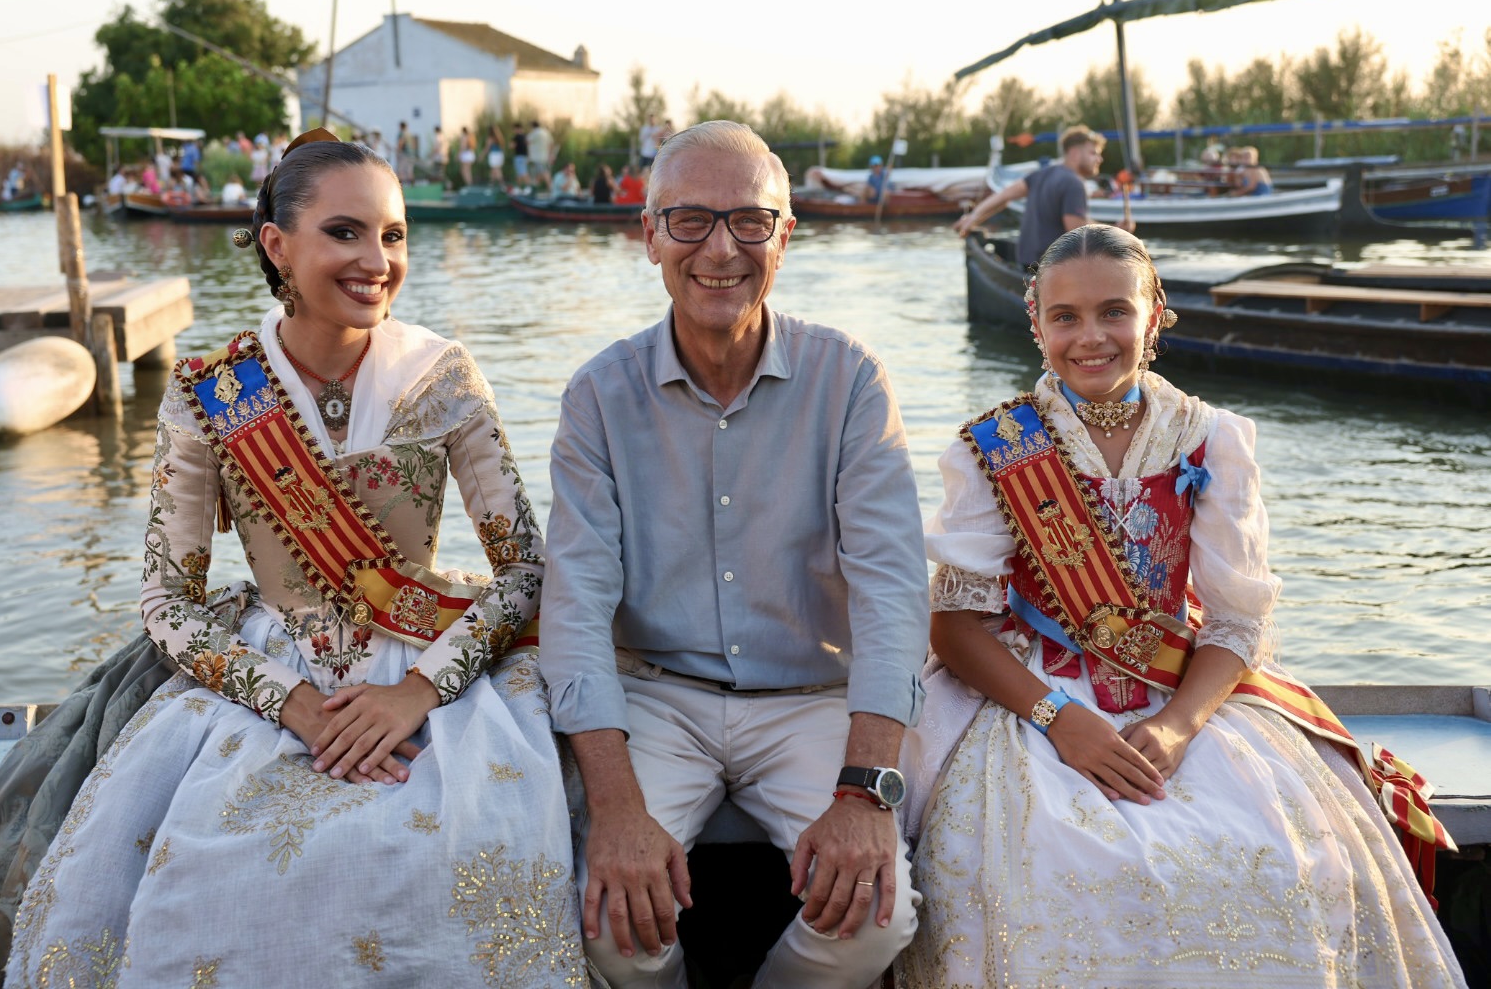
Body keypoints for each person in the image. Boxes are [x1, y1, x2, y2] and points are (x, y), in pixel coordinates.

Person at [2, 130, 585, 988]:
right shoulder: (212, 393)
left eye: (393, 235)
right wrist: (301, 707)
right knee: (223, 868)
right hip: (271, 673)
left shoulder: (445, 378)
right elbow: (169, 604)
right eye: (344, 232)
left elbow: (526, 574)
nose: (376, 260)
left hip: (426, 658)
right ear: (278, 246)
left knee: (459, 849)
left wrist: (419, 690)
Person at [893, 224, 1464, 987]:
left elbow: (1235, 620)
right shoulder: (993, 448)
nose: (1090, 337)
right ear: (1035, 322)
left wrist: (1177, 724)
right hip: (1030, 699)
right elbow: (956, 626)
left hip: (1182, 692)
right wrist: (1061, 722)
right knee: (1055, 862)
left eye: (1113, 312)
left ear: (1155, 313)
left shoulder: (1213, 440)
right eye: (1065, 317)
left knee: (1279, 857)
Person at [540, 120, 928, 987]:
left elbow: (893, 592)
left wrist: (866, 792)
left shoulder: (850, 381)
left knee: (877, 914)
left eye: (750, 221)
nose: (721, 248)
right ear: (650, 237)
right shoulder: (599, 396)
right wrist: (616, 808)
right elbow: (573, 608)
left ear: (785, 237)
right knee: (608, 918)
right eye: (690, 221)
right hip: (658, 700)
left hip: (812, 699)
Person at [954, 124, 1132, 265]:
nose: (1099, 159)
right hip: (1053, 267)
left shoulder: (1042, 174)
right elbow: (1077, 228)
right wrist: (1116, 232)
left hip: (1027, 263)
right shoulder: (1075, 183)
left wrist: (972, 219)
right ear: (1075, 153)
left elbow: (1003, 196)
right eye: (1093, 153)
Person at [527, 120, 555, 187]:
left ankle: (551, 188)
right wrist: (550, 155)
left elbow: (527, 143)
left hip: (536, 158)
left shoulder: (533, 133)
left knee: (544, 173)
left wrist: (528, 156)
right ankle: (534, 188)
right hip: (545, 157)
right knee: (539, 174)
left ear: (532, 126)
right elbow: (551, 144)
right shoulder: (546, 132)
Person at [512, 123, 531, 188]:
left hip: (519, 157)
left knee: (523, 172)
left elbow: (512, 146)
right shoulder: (525, 137)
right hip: (525, 156)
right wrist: (528, 157)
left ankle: (528, 187)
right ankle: (519, 188)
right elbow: (528, 146)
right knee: (519, 173)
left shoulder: (516, 137)